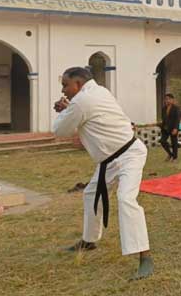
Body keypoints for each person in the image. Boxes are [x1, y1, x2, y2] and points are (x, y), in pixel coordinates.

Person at [52, 67, 153, 280]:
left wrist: (65, 111)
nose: (63, 90)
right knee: (91, 194)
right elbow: (87, 113)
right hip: (108, 161)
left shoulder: (81, 102)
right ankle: (89, 241)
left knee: (126, 199)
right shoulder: (99, 91)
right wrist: (69, 109)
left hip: (129, 155)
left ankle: (145, 257)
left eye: (65, 85)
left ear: (78, 84)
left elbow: (61, 130)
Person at [159, 93, 180, 163]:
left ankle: (175, 158)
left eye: (168, 99)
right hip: (165, 128)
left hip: (173, 128)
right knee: (162, 141)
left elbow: (177, 119)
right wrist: (160, 125)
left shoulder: (176, 108)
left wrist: (176, 128)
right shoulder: (163, 108)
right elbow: (164, 119)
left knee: (174, 143)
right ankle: (170, 154)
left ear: (172, 100)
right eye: (166, 99)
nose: (167, 101)